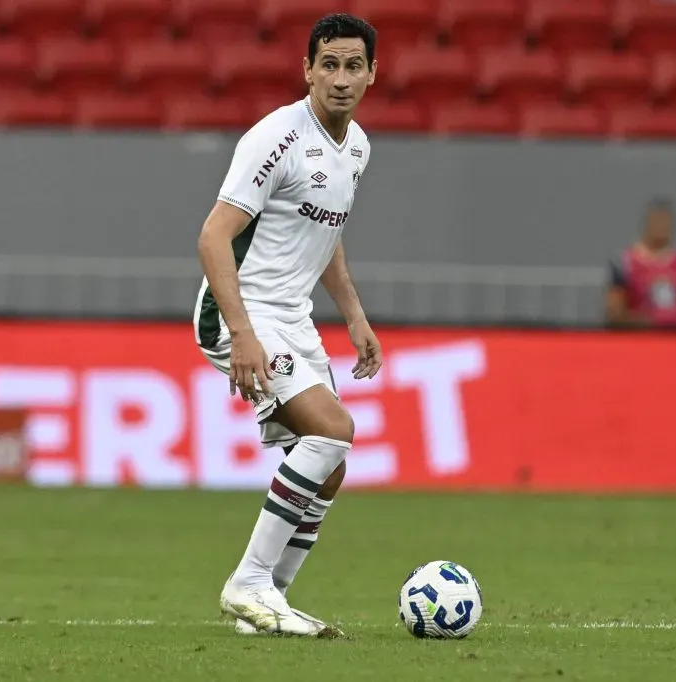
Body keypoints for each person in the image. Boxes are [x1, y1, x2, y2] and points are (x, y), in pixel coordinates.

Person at [192, 13, 381, 637]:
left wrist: (354, 315)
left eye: (353, 66)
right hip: (240, 310)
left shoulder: (356, 148)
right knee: (334, 429)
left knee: (330, 461)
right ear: (307, 70)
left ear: (372, 74)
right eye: (328, 65)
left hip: (292, 316)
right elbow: (214, 237)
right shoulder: (276, 136)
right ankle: (246, 583)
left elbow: (326, 237)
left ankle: (266, 600)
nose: (340, 79)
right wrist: (242, 333)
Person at [605, 198, 676, 329]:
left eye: (665, 221)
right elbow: (614, 313)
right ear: (648, 223)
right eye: (657, 220)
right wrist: (645, 322)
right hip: (642, 341)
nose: (661, 226)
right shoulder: (625, 263)